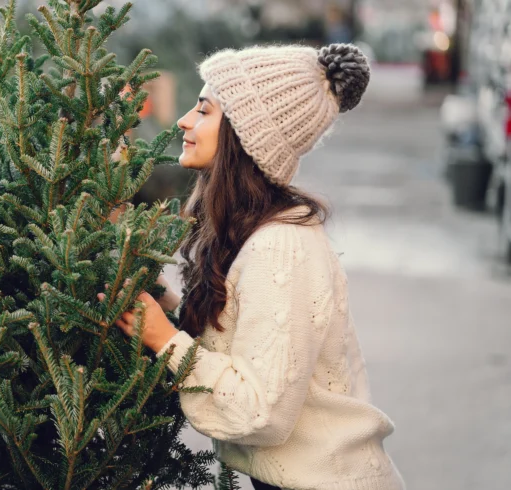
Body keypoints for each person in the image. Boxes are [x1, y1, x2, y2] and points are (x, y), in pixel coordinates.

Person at [97, 44, 405, 490]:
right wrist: (166, 304)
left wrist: (163, 339)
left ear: (246, 133)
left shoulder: (281, 246)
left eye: (204, 111)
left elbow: (258, 410)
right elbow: (251, 343)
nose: (185, 120)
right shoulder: (259, 233)